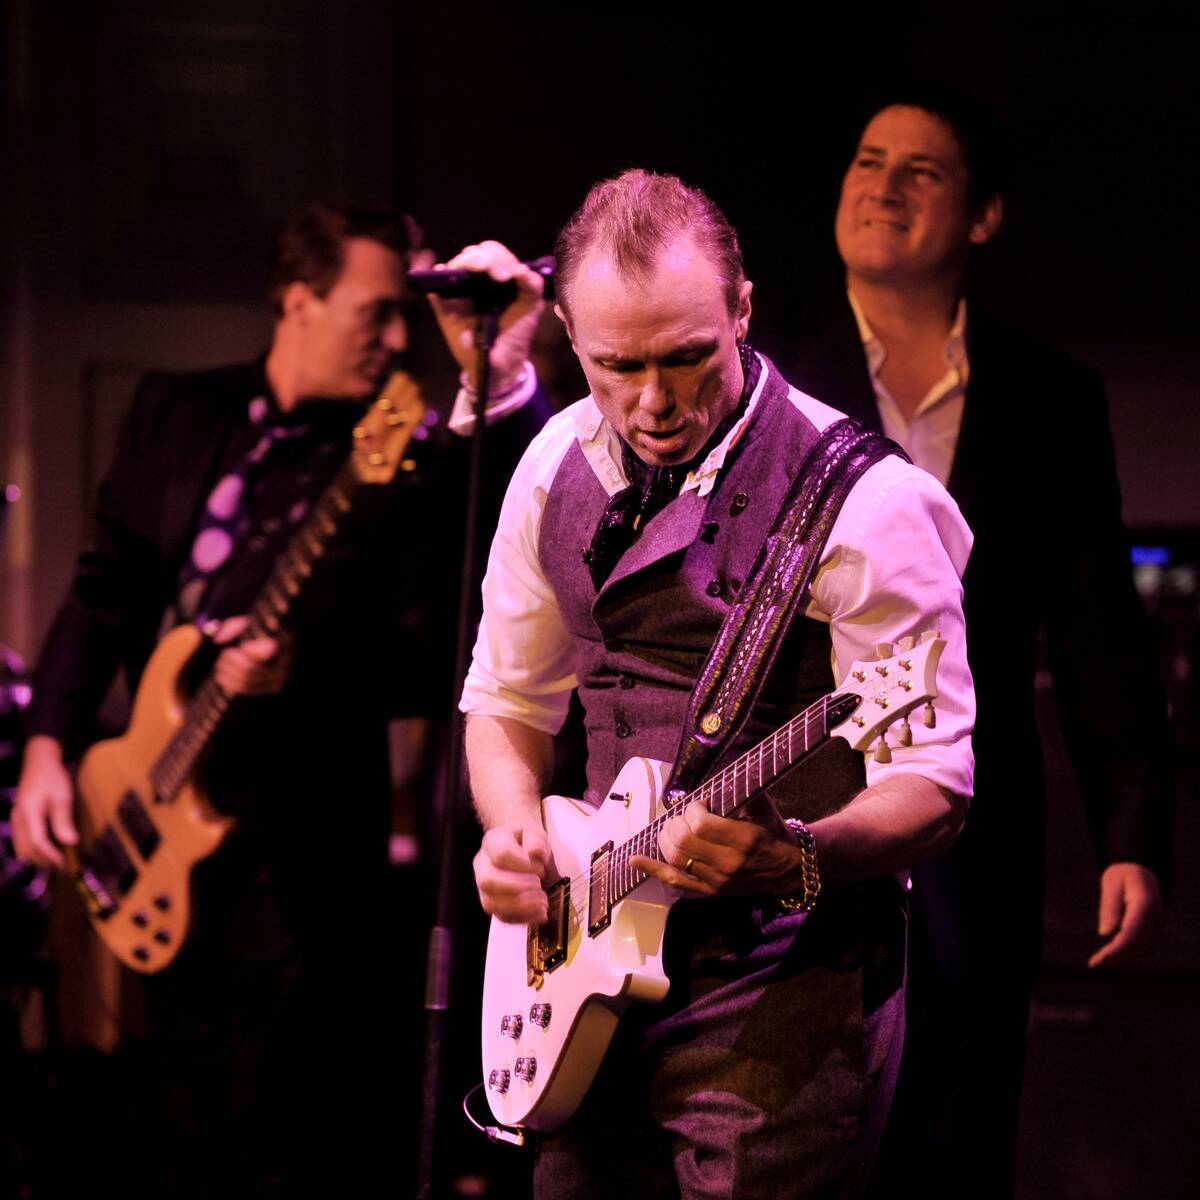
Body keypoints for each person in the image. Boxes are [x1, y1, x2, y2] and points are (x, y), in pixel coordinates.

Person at [10, 203, 549, 1195]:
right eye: (377, 312)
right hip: (155, 817)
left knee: (289, 1133)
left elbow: (443, 650)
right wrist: (49, 743)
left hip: (302, 856)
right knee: (179, 1115)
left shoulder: (397, 446)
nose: (396, 341)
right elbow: (103, 589)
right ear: (298, 301)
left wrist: (305, 668)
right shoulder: (173, 410)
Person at [460, 168, 977, 1197]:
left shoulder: (867, 504)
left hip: (783, 986)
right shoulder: (551, 463)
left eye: (689, 357)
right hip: (581, 965)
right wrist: (513, 826)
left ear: (742, 311)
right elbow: (508, 702)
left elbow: (936, 787)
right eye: (616, 365)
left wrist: (799, 859)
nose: (654, 402)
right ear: (567, 330)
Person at [784, 87, 1175, 1195]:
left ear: (984, 217)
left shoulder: (1051, 397)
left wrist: (1132, 833)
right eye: (868, 158)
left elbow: (1101, 626)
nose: (883, 185)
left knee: (958, 1125)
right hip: (789, 794)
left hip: (974, 816)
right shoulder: (761, 368)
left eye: (923, 170)